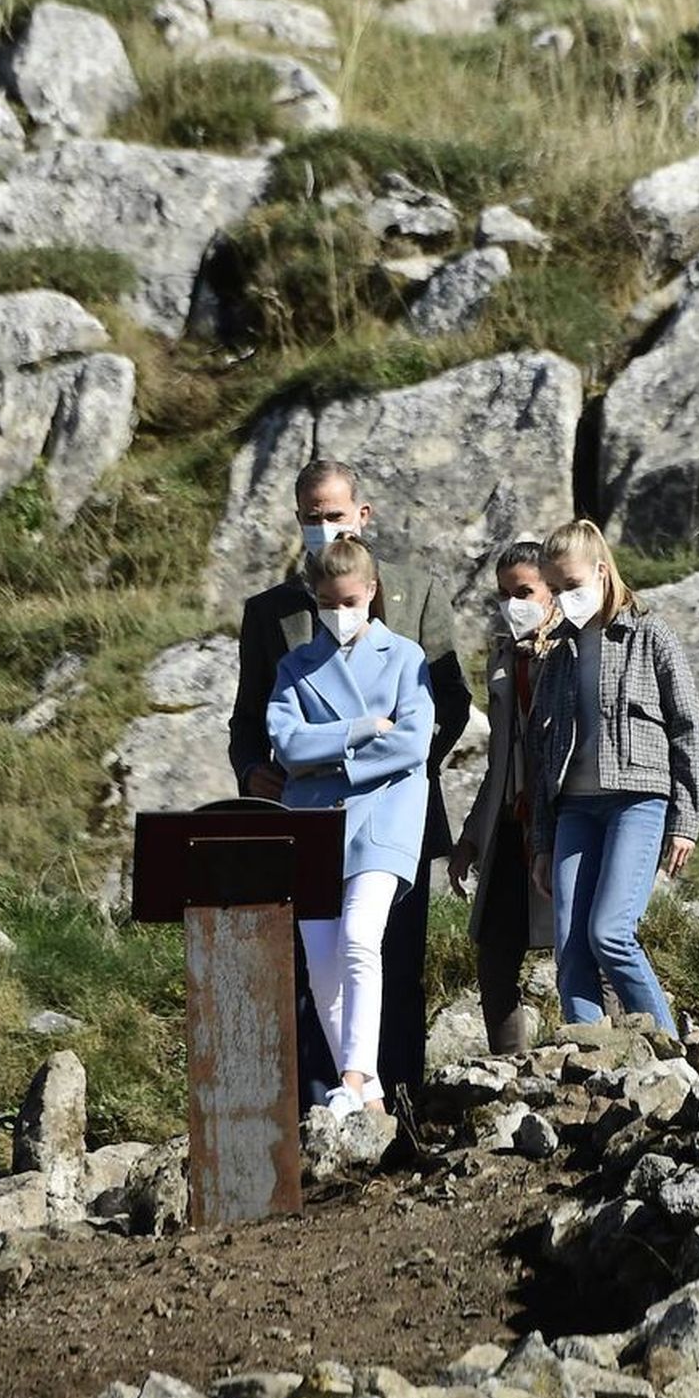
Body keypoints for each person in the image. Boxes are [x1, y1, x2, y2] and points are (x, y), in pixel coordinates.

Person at [228, 456, 471, 1110]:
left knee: (396, 962)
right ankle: (323, 1111)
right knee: (315, 968)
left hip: (398, 817)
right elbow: (251, 720)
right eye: (311, 518)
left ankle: (403, 1107)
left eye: (334, 514)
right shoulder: (270, 612)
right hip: (303, 818)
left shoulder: (418, 592)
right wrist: (255, 771)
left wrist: (395, 773)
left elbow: (446, 707)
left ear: (363, 515)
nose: (324, 527)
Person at [268, 537, 434, 1114]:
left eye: (348, 600)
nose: (338, 613)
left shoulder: (407, 657)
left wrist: (329, 757)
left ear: (370, 592)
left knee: (362, 937)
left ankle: (359, 1077)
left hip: (386, 815)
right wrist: (362, 729)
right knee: (321, 961)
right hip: (313, 822)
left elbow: (414, 744)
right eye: (326, 603)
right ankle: (367, 1097)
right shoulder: (296, 665)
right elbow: (286, 744)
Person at [527, 517, 699, 1036]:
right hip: (575, 812)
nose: (564, 599)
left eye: (573, 586)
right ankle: (587, 1059)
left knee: (610, 933)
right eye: (556, 589)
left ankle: (669, 1048)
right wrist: (543, 841)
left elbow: (687, 727)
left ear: (603, 573)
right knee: (569, 947)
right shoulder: (557, 653)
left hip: (638, 802)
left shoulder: (651, 635)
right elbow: (542, 755)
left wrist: (686, 819)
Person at [447, 541, 556, 1054]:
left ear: (552, 592)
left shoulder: (574, 652)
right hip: (511, 827)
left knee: (586, 947)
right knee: (494, 951)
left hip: (563, 823)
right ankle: (508, 1066)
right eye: (503, 594)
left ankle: (615, 1053)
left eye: (525, 591)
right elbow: (499, 763)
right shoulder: (502, 659)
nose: (513, 604)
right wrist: (470, 839)